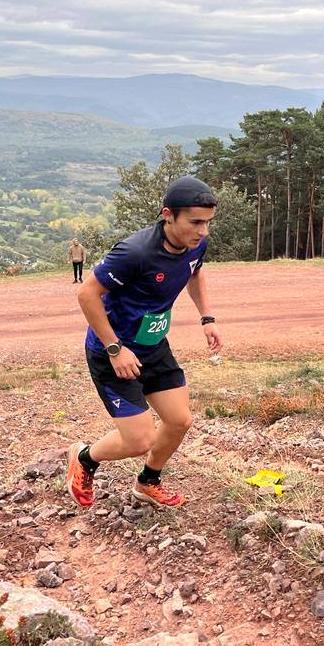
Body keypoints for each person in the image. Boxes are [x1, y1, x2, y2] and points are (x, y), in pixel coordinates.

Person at [66, 176, 223, 509]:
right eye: (195, 222)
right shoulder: (135, 252)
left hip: (152, 345)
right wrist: (114, 349)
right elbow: (87, 294)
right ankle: (84, 458)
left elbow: (195, 272)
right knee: (139, 440)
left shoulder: (196, 244)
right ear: (168, 215)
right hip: (113, 351)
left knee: (179, 421)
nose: (203, 231)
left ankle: (148, 482)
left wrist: (206, 318)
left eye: (208, 223)